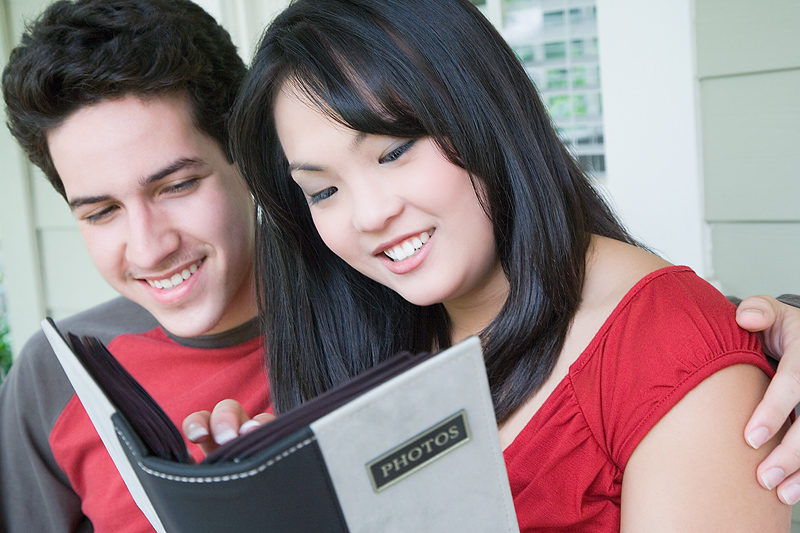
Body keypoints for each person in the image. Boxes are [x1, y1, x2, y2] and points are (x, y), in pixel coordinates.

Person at [189, 0, 797, 529]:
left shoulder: (672, 353)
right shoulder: (381, 333)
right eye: (322, 192)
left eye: (394, 151)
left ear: (484, 114)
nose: (368, 215)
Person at [0, 1, 272, 531]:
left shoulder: (380, 311)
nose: (149, 250)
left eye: (176, 186)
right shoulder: (56, 376)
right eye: (102, 212)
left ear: (246, 154)